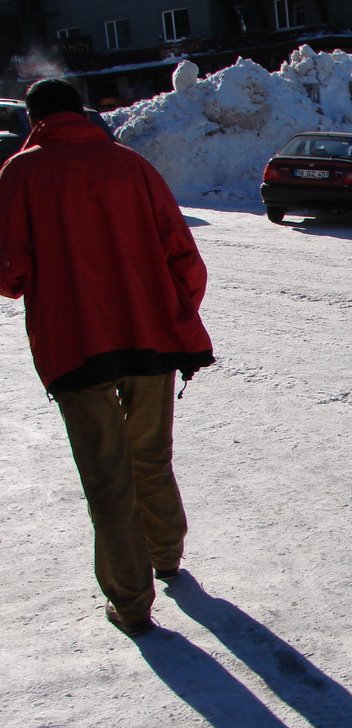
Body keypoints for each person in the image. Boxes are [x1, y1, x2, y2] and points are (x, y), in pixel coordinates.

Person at [0, 79, 214, 637]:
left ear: (34, 119)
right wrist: (174, 314)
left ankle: (131, 603)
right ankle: (167, 555)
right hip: (151, 340)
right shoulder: (131, 165)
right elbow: (184, 255)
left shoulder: (20, 174)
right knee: (150, 456)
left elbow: (10, 275)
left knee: (107, 476)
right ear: (81, 111)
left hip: (75, 349)